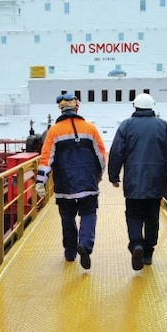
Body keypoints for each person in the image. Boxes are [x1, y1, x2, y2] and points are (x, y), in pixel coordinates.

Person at [108, 93, 167, 270]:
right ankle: (148, 252)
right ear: (152, 107)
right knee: (152, 217)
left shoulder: (126, 126)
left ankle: (136, 245)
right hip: (156, 181)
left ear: (135, 107)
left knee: (133, 214)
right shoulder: (163, 126)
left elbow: (116, 152)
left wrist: (113, 176)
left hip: (133, 181)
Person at [36, 91, 107, 269]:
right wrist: (99, 175)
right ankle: (85, 243)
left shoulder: (53, 131)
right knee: (88, 214)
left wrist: (40, 181)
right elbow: (101, 155)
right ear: (77, 107)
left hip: (64, 184)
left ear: (60, 109)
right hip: (88, 182)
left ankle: (70, 252)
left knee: (67, 217)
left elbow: (46, 158)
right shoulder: (90, 128)